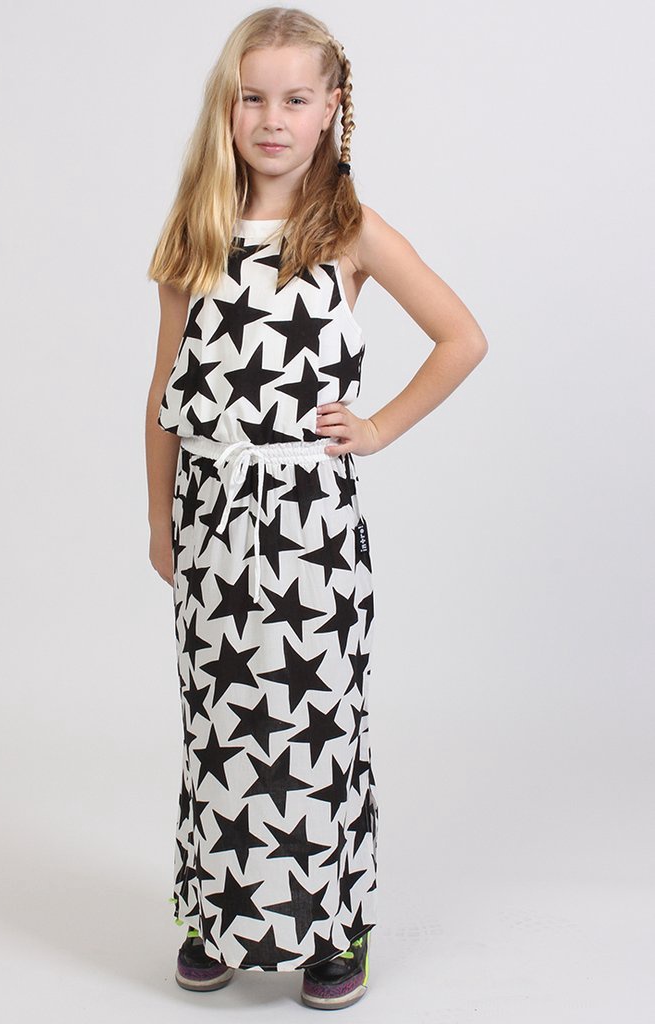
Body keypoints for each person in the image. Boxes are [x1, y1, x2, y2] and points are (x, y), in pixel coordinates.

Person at [144, 5, 488, 1010]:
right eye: (252, 98)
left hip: (310, 525)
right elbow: (163, 393)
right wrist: (159, 519)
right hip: (211, 518)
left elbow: (461, 337)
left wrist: (374, 428)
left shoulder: (347, 232)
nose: (272, 119)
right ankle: (217, 908)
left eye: (294, 99)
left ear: (331, 107)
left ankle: (334, 925)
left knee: (315, 719)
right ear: (227, 108)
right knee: (219, 717)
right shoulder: (194, 233)